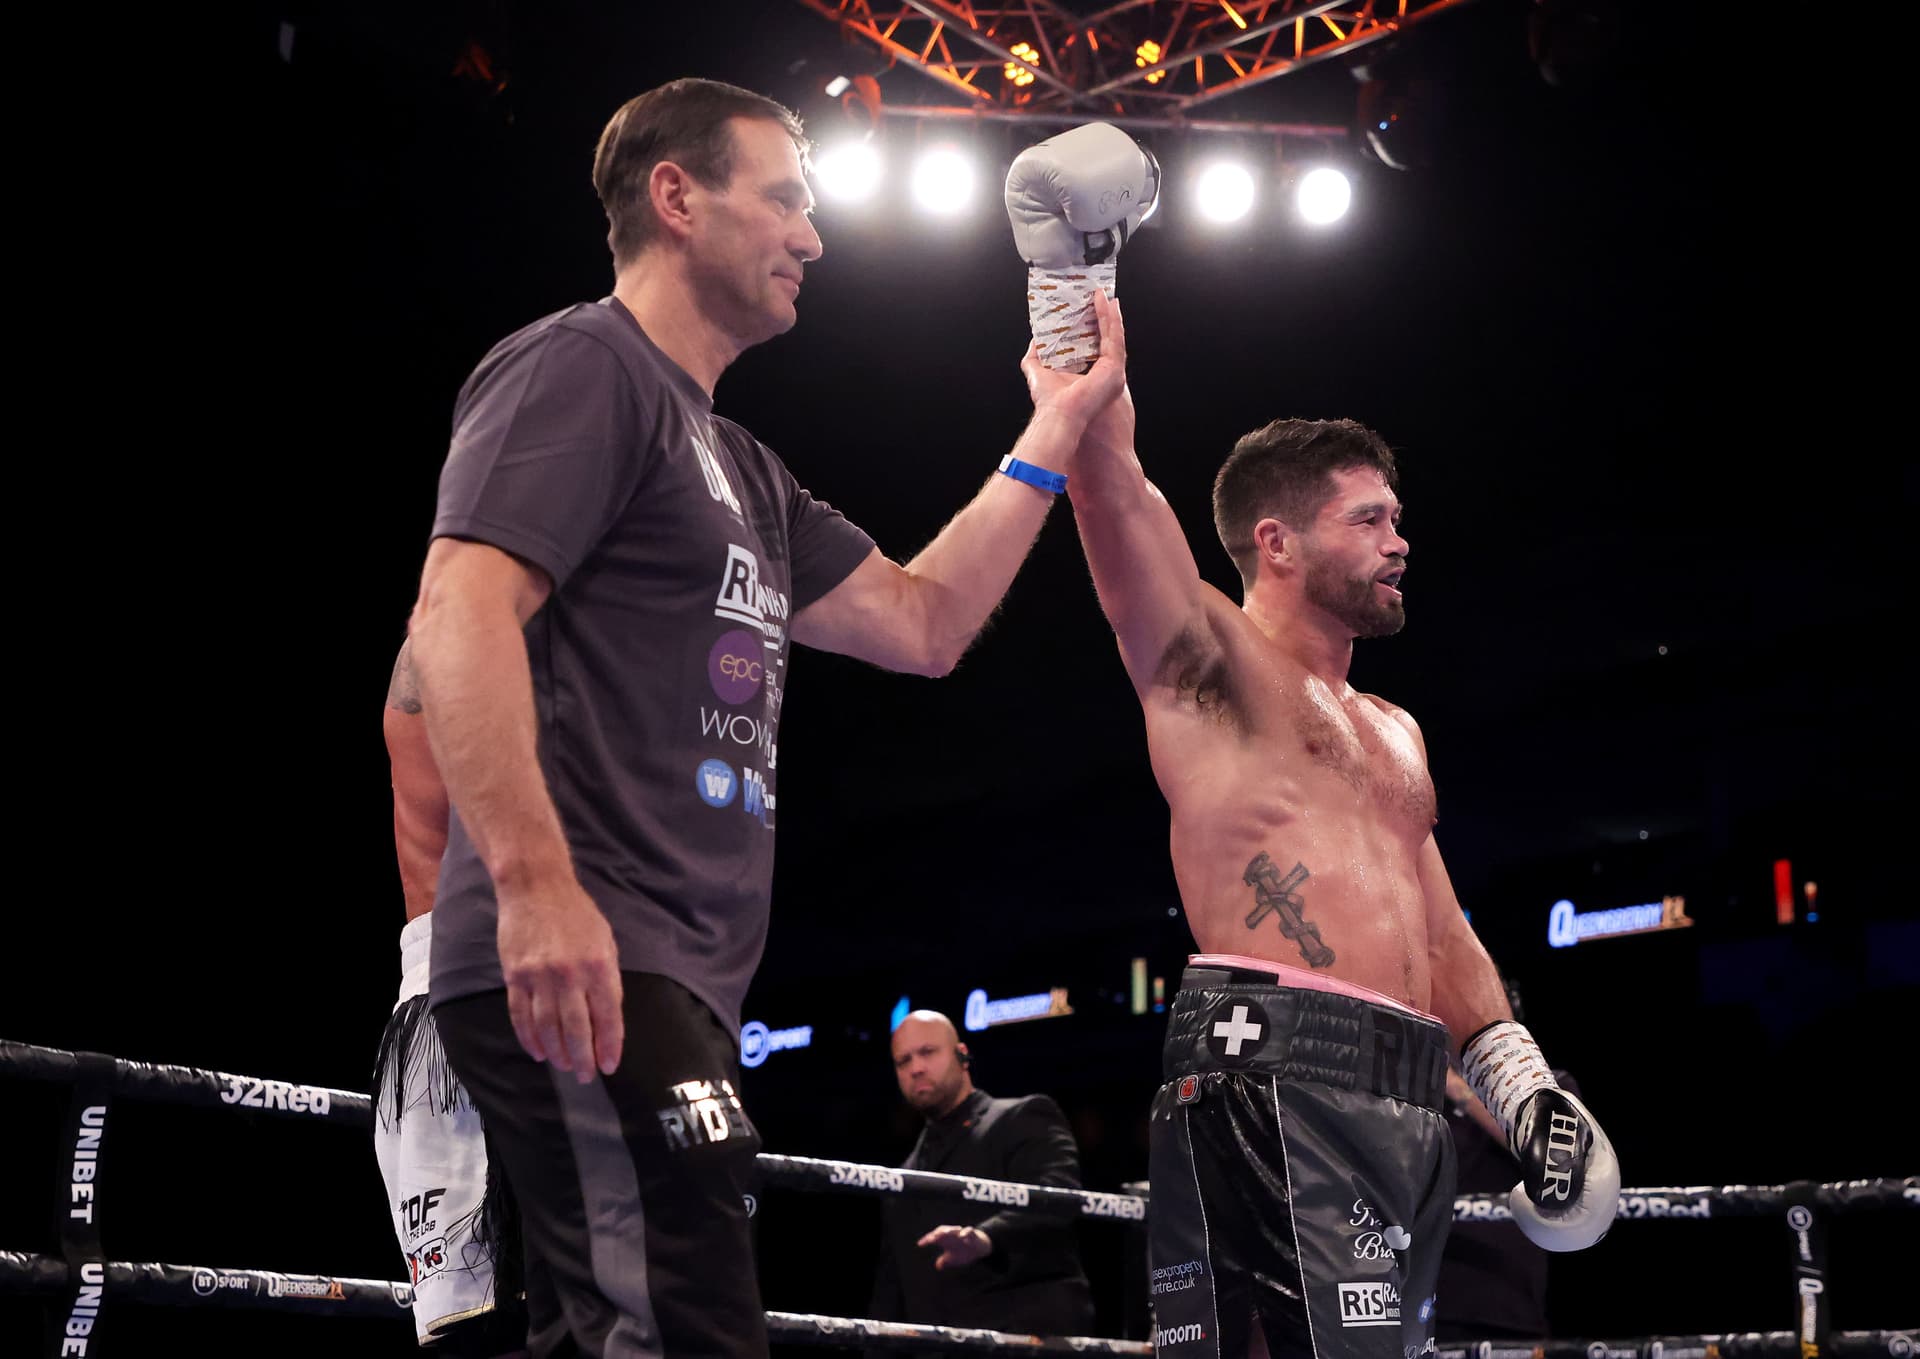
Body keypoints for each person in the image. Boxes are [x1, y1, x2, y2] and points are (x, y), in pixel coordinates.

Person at [405, 77, 1125, 1357]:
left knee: (644, 1328)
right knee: (674, 1328)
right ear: (677, 198)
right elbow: (456, 616)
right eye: (786, 197)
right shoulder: (584, 365)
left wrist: (1053, 428)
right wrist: (531, 885)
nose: (815, 236)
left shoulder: (743, 466)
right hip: (589, 956)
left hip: (672, 976)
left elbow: (924, 624)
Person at [1018, 295, 1619, 1348]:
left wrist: (1521, 1086)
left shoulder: (1396, 730)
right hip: (1273, 1071)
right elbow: (1113, 494)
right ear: (1278, 542)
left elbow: (1438, 929)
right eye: (1370, 519)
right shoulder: (1211, 660)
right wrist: (1072, 294)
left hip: (1408, 1092)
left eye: (1395, 517)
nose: (1401, 540)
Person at [372, 640, 527, 1356]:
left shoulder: (412, 712)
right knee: (520, 1314)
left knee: (462, 1321)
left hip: (422, 1018)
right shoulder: (517, 730)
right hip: (490, 1008)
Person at [868, 1010, 1095, 1338]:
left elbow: (1058, 1196)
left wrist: (985, 1239)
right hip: (944, 1344)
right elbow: (891, 1289)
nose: (916, 1068)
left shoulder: (1021, 1117)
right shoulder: (902, 1176)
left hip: (1026, 1333)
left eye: (928, 1052)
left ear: (962, 1055)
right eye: (903, 1061)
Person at [1433, 976, 1579, 1341]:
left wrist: (1458, 1088)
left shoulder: (1547, 1095)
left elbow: (1547, 1151)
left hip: (1507, 1304)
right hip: (1425, 1303)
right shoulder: (1418, 1095)